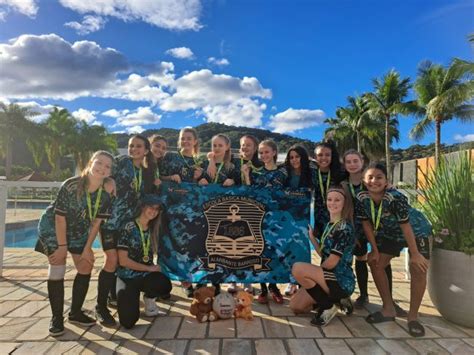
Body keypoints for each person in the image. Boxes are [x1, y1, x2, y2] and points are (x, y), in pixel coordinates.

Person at [35, 151, 114, 336]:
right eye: (99, 163)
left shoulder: (106, 193)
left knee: (86, 264)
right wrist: (62, 248)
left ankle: (75, 313)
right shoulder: (71, 185)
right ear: (90, 163)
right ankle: (56, 318)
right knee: (57, 266)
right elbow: (59, 218)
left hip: (79, 233)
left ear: (110, 172)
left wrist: (87, 248)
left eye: (107, 166)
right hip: (54, 229)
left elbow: (96, 224)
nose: (102, 168)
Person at [356, 162, 431, 337]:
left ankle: (413, 317)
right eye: (370, 177)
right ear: (364, 180)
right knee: (375, 263)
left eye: (379, 177)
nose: (374, 181)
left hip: (417, 231)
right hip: (390, 233)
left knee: (418, 269)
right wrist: (374, 249)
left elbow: (406, 227)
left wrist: (415, 254)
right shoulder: (361, 198)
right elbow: (366, 225)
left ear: (386, 181)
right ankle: (388, 309)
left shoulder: (395, 197)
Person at [96, 134, 156, 325]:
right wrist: (108, 180)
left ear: (146, 150)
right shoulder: (121, 162)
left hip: (129, 225)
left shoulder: (146, 172)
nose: (134, 149)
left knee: (121, 262)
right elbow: (103, 173)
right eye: (131, 146)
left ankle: (114, 296)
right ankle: (100, 307)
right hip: (111, 222)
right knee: (111, 260)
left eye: (138, 146)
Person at [292, 186, 355, 326]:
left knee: (298, 268)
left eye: (337, 200)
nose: (332, 203)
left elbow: (331, 262)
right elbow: (323, 254)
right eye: (329, 199)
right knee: (296, 306)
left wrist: (313, 274)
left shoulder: (344, 228)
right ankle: (338, 300)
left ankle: (329, 305)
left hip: (341, 280)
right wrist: (312, 238)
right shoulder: (330, 225)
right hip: (328, 277)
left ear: (345, 203)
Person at [116, 195, 172, 329]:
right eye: (150, 207)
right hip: (127, 276)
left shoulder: (154, 228)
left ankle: (149, 299)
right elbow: (123, 261)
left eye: (157, 209)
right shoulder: (128, 227)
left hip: (145, 276)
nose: (153, 211)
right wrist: (148, 268)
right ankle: (124, 295)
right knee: (128, 322)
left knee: (164, 285)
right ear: (142, 207)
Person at [242, 139, 286, 304]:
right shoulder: (256, 172)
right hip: (258, 218)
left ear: (274, 152)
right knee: (259, 252)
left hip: (276, 218)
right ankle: (263, 288)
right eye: (261, 153)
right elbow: (250, 192)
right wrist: (246, 175)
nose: (263, 155)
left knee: (274, 252)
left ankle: (274, 286)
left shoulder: (283, 173)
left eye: (267, 152)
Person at [160, 127, 203, 297]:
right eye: (182, 138)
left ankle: (192, 280)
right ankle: (168, 284)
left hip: (191, 212)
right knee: (169, 247)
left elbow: (196, 188)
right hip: (170, 211)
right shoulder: (170, 157)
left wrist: (196, 178)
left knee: (191, 247)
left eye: (189, 138)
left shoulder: (198, 162)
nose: (185, 141)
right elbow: (159, 177)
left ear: (195, 141)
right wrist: (170, 178)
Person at [228, 134, 263, 295]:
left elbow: (258, 190)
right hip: (233, 208)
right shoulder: (234, 162)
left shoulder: (259, 164)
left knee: (248, 246)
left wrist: (247, 176)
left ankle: (248, 280)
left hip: (252, 210)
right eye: (242, 145)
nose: (244, 148)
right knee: (231, 245)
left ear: (255, 148)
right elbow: (227, 178)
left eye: (248, 145)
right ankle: (233, 279)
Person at [282, 145, 313, 296]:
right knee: (288, 249)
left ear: (303, 158)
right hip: (287, 218)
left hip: (303, 218)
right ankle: (290, 281)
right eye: (291, 157)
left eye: (297, 156)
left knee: (302, 249)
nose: (294, 160)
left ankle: (303, 281)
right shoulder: (284, 174)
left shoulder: (311, 174)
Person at [312, 141, 344, 241]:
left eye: (327, 155)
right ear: (315, 157)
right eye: (320, 155)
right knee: (324, 250)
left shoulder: (341, 173)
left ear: (332, 156)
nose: (324, 158)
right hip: (320, 217)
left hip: (337, 216)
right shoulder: (312, 173)